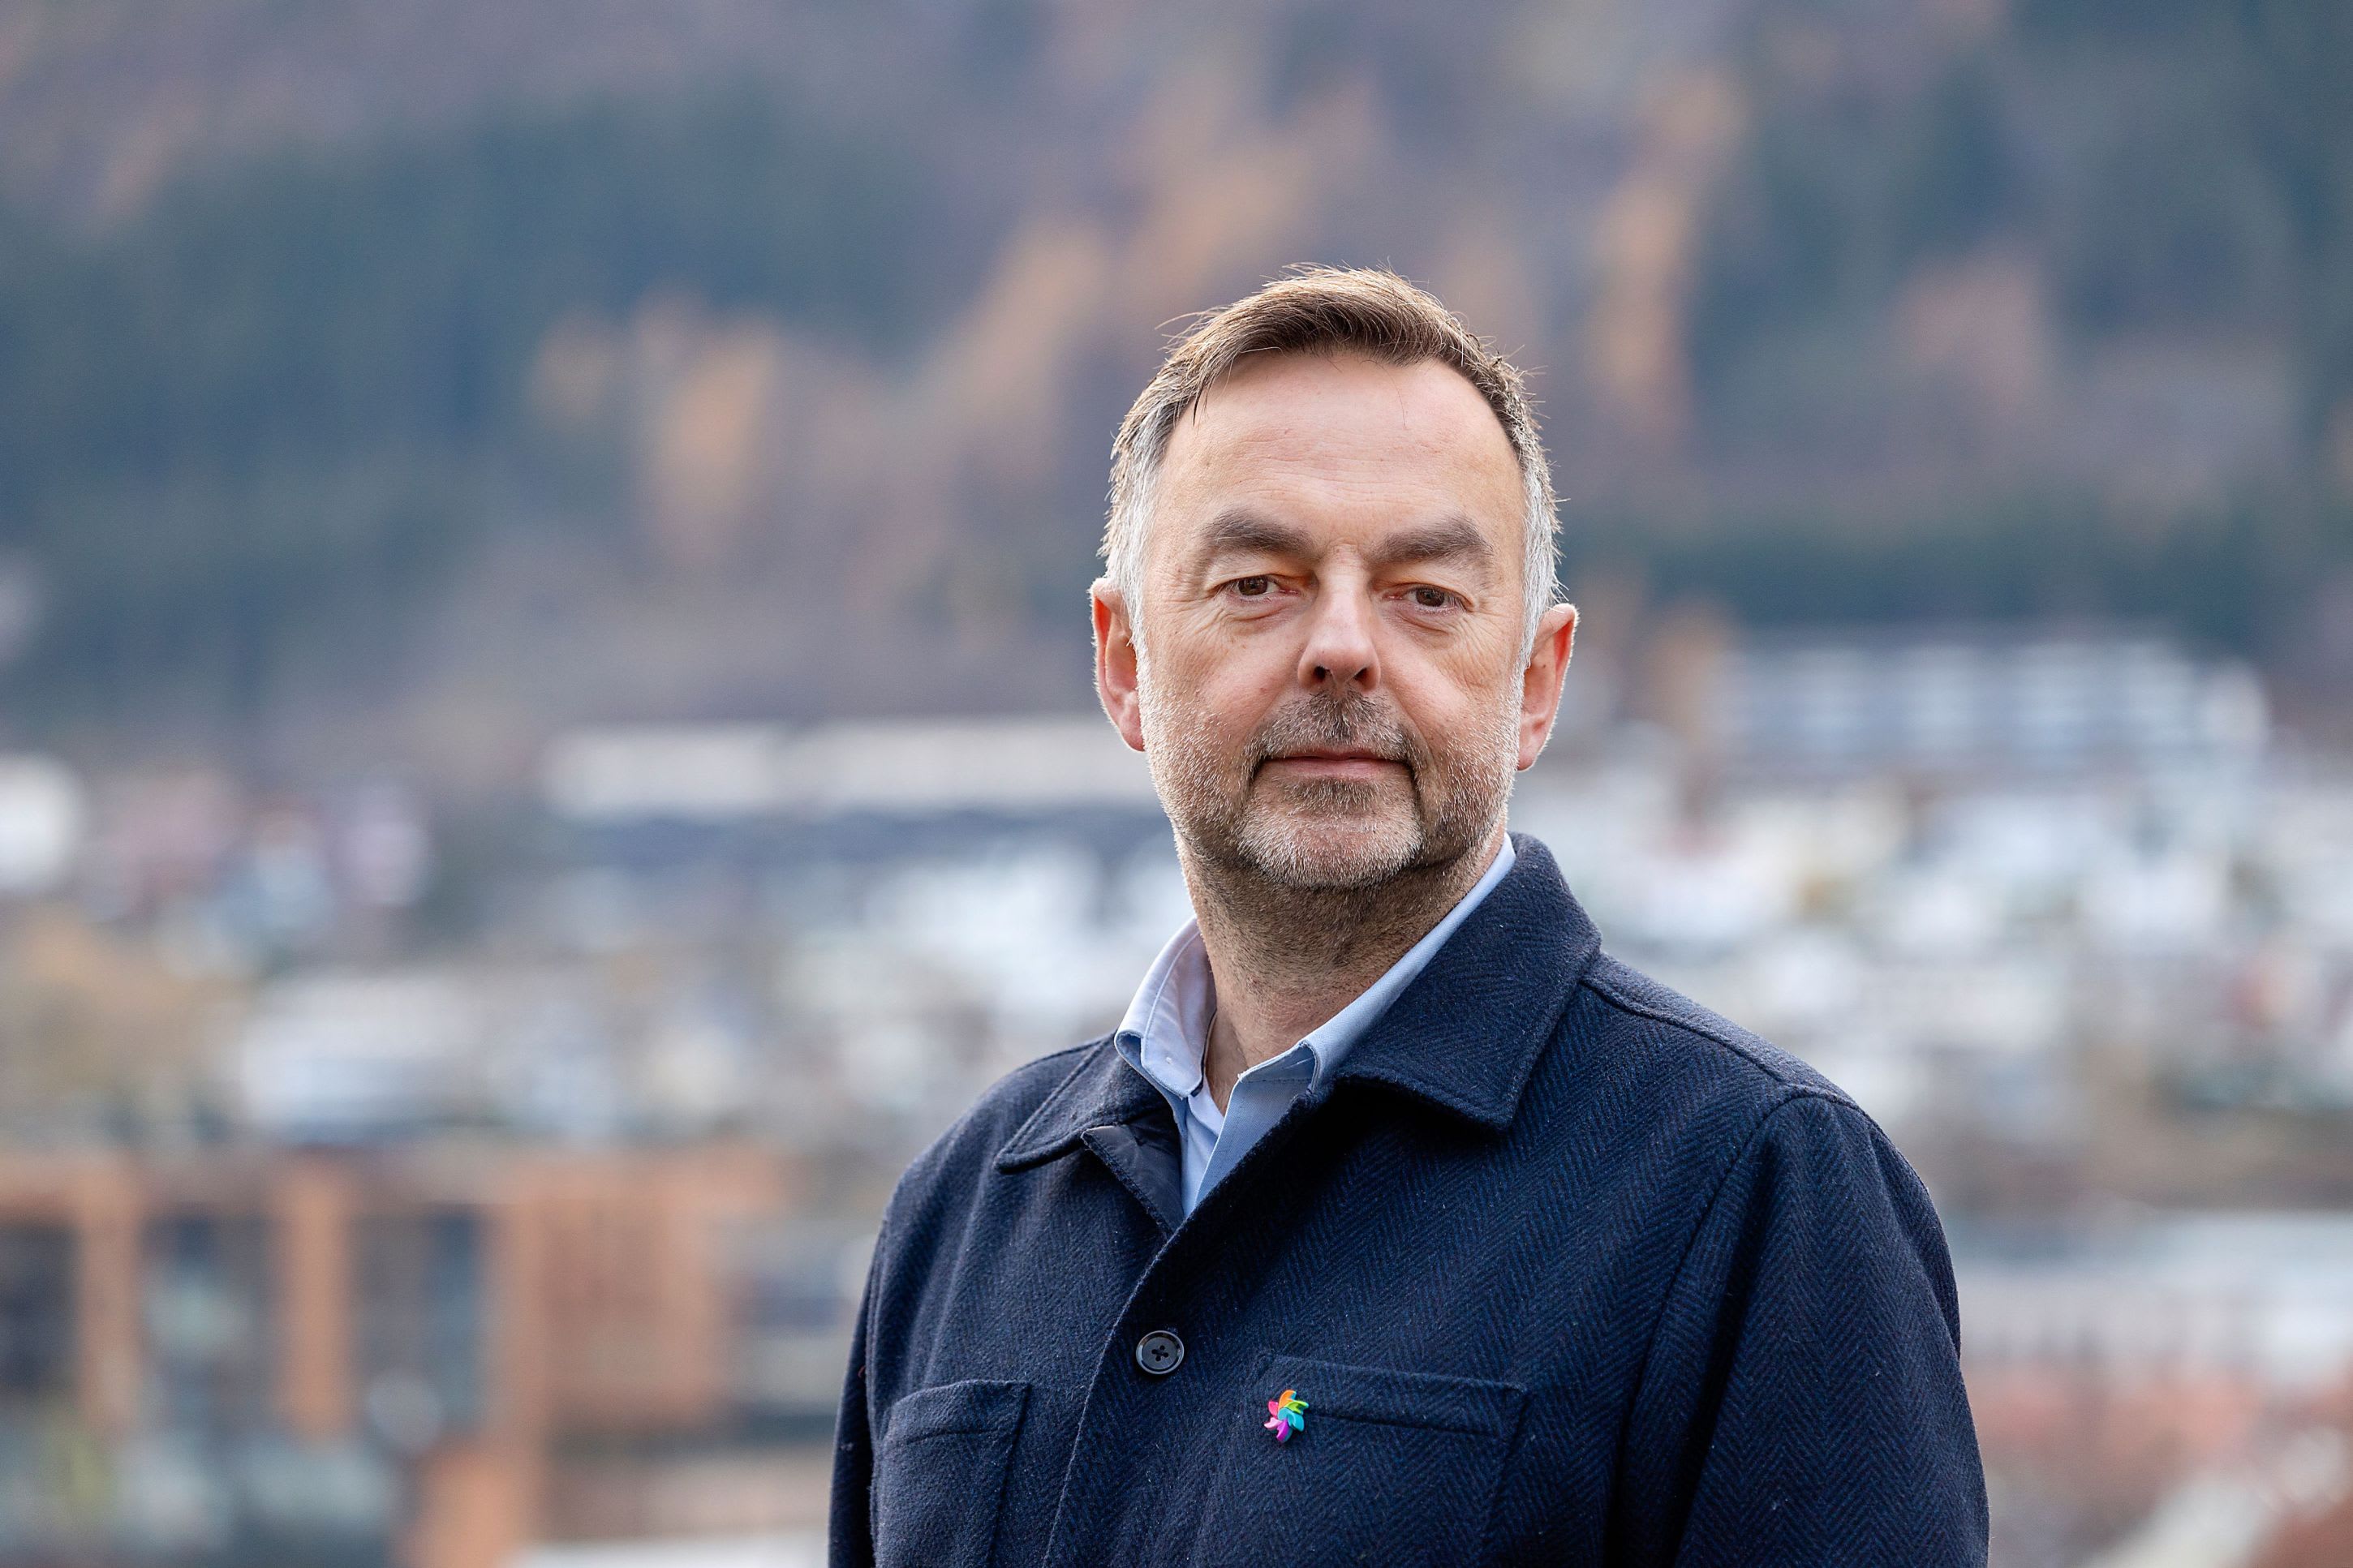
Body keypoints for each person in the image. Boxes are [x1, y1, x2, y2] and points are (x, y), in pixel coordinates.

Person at [829, 267, 1988, 1566]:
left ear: (1537, 682)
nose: (1343, 646)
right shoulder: (963, 1214)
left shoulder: (1757, 1196)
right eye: (1258, 582)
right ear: (1123, 661)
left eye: (1426, 592)